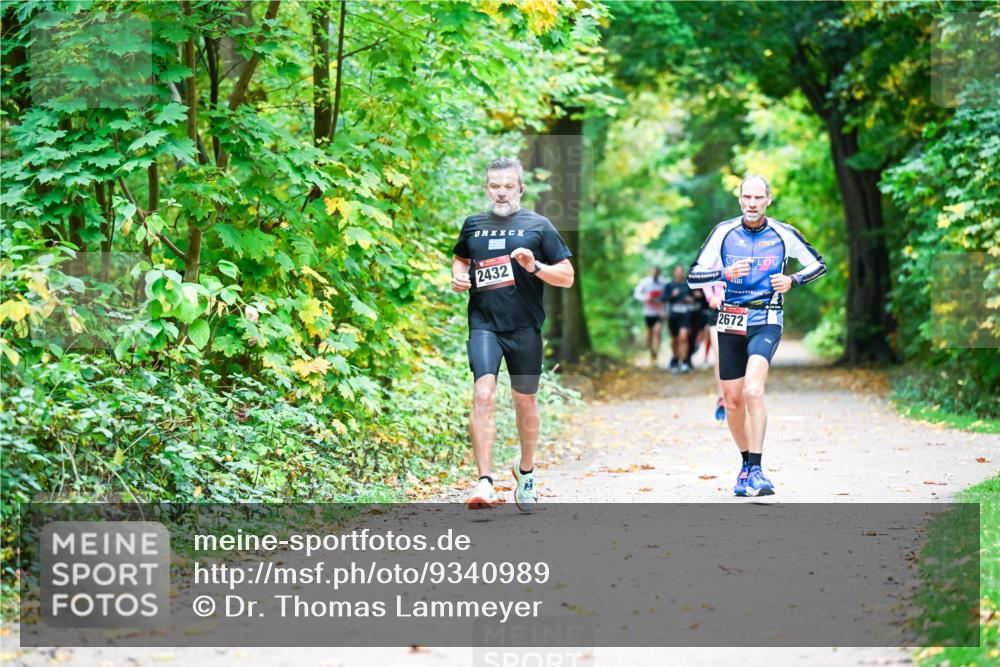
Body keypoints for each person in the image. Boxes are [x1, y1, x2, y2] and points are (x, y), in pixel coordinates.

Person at [687, 174, 825, 497]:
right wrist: (723, 273)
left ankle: (759, 470)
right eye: (746, 197)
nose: (752, 204)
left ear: (768, 200)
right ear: (739, 199)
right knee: (733, 401)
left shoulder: (782, 233)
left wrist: (793, 281)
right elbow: (694, 276)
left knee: (753, 391)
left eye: (758, 198)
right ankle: (746, 466)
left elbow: (818, 265)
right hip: (731, 319)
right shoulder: (723, 232)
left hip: (767, 317)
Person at [451, 157, 575, 511]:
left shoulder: (539, 226)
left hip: (525, 328)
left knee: (525, 402)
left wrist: (534, 266)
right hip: (484, 325)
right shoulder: (473, 225)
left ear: (520, 188)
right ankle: (485, 482)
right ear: (486, 188)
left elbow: (566, 276)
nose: (501, 193)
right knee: (484, 394)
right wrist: (458, 276)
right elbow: (461, 259)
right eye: (495, 186)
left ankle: (526, 471)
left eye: (508, 186)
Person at [702, 282, 727, 421]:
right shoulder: (711, 260)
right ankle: (722, 397)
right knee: (721, 357)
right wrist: (710, 296)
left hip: (742, 309)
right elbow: (701, 273)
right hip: (718, 310)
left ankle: (740, 395)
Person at [662, 265, 694, 373]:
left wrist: (690, 299)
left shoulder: (687, 285)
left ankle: (684, 361)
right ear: (674, 273)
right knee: (675, 339)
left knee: (683, 337)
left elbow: (693, 298)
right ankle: (675, 359)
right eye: (677, 271)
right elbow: (663, 299)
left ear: (683, 273)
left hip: (685, 315)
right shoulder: (669, 285)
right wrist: (672, 295)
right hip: (673, 316)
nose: (679, 273)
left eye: (681, 271)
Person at [633, 267, 667, 363]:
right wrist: (645, 297)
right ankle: (651, 351)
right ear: (650, 273)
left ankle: (656, 353)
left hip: (660, 312)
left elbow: (667, 297)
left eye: (657, 273)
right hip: (648, 312)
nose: (655, 274)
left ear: (659, 273)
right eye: (653, 272)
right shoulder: (644, 282)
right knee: (650, 334)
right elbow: (636, 294)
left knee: (657, 332)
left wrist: (665, 310)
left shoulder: (664, 283)